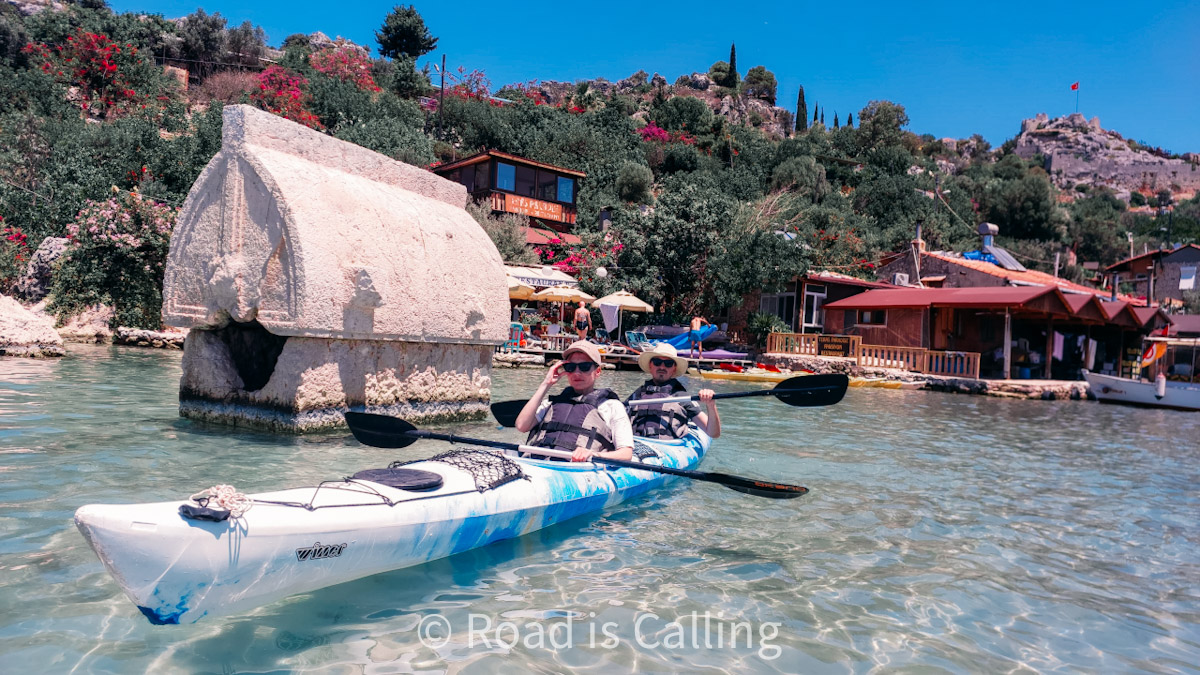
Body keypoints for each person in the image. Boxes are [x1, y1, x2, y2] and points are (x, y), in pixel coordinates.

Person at [515, 340, 633, 462]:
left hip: (578, 471)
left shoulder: (611, 406)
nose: (577, 373)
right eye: (570, 367)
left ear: (597, 372)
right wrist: (546, 383)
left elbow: (626, 454)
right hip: (537, 465)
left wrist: (593, 454)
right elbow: (522, 426)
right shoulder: (550, 404)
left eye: (584, 367)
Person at [626, 343, 721, 440]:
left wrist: (711, 405)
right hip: (637, 445)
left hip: (666, 449)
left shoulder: (682, 396)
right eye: (657, 362)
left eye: (668, 364)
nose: (662, 367)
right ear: (651, 365)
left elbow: (713, 433)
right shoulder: (637, 394)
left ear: (674, 369)